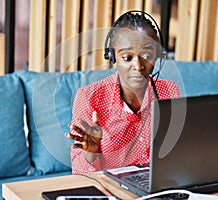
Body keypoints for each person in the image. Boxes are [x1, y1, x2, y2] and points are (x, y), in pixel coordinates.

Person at [65, 11, 180, 174]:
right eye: (127, 57)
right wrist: (90, 153)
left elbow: (176, 151)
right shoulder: (89, 97)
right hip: (112, 188)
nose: (139, 66)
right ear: (112, 56)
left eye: (147, 55)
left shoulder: (169, 91)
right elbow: (80, 174)